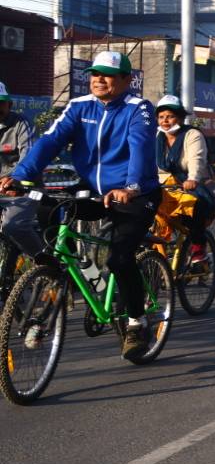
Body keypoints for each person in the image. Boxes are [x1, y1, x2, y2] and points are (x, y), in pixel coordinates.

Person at [0, 51, 158, 360]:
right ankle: (67, 273)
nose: (99, 79)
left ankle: (137, 323)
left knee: (119, 258)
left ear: (127, 80)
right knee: (49, 210)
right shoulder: (78, 106)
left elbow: (140, 145)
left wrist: (131, 186)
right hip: (92, 190)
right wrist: (20, 175)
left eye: (108, 75)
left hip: (136, 194)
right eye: (95, 74)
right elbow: (50, 140)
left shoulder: (138, 108)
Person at [153, 94, 215, 261]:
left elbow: (197, 159)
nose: (165, 120)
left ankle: (198, 250)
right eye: (161, 117)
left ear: (180, 118)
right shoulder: (156, 137)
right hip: (162, 186)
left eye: (170, 116)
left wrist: (193, 179)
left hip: (187, 185)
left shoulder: (192, 135)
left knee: (193, 209)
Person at [0, 82, 36, 173]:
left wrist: (15, 176)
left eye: (1, 103)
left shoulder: (21, 123)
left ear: (10, 105)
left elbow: (28, 154)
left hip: (17, 179)